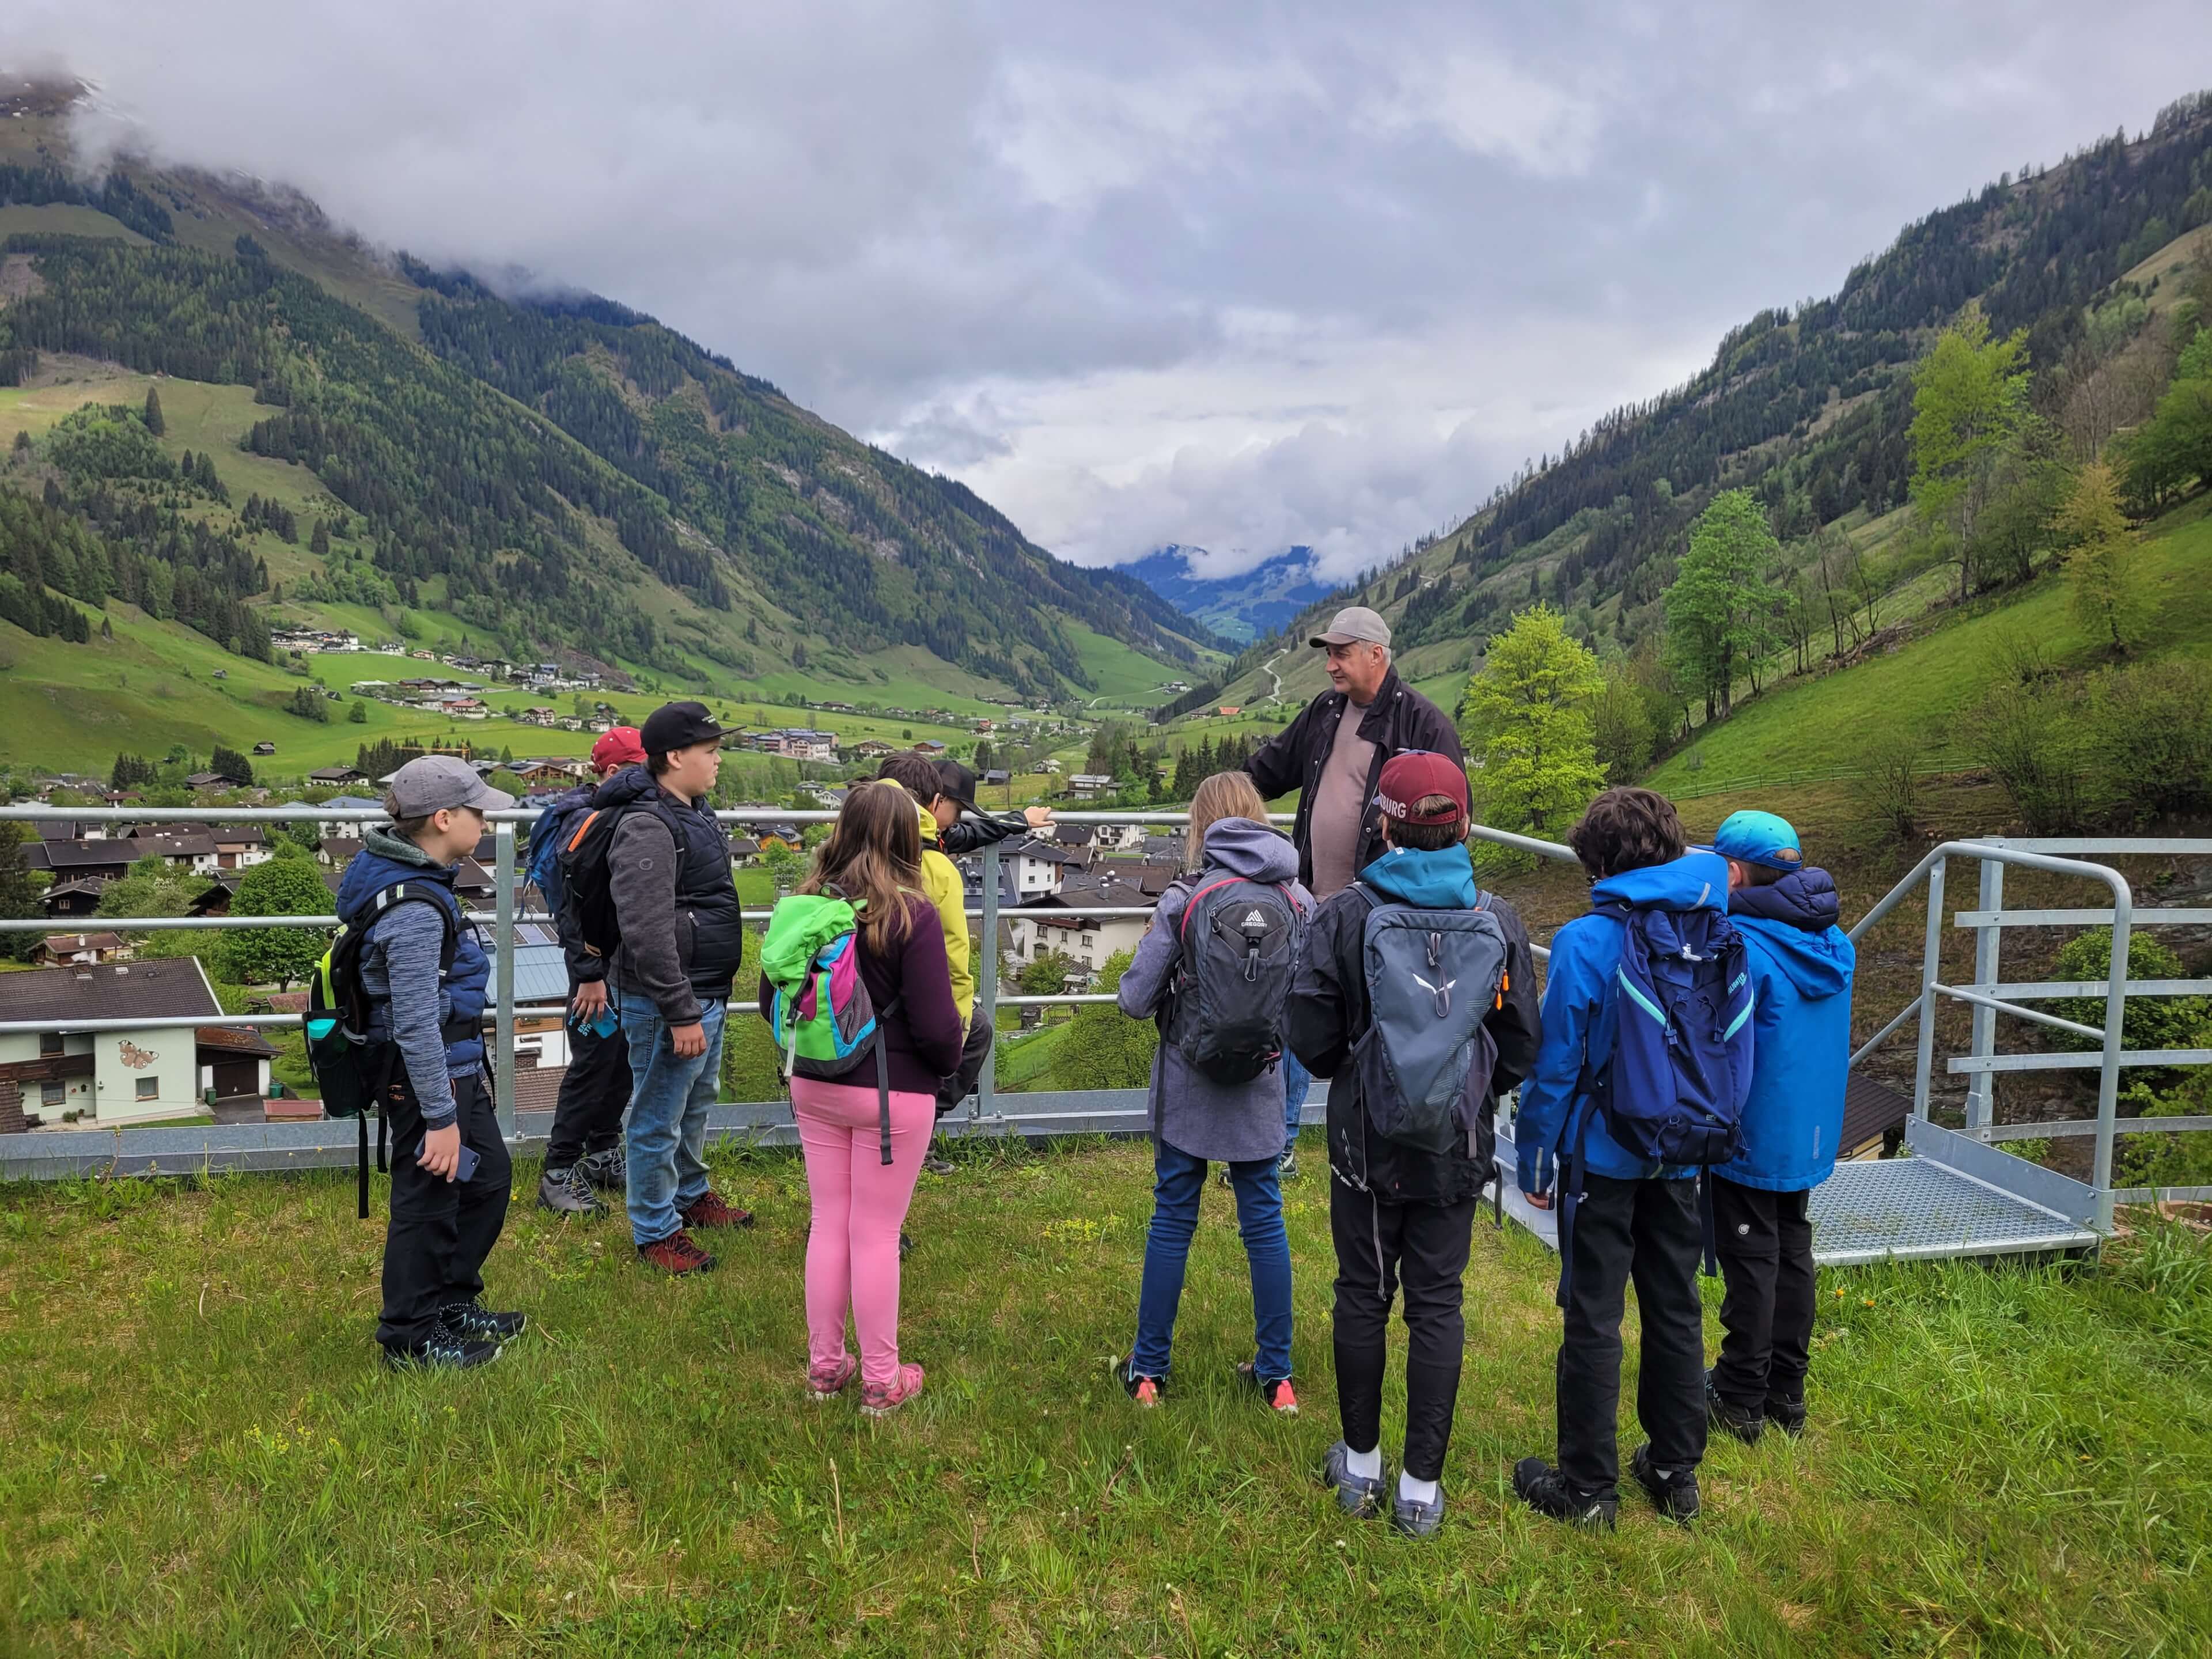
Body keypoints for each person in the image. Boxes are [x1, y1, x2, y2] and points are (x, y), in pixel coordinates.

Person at [1290, 752, 1539, 1536]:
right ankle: (1420, 1490)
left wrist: (1363, 1072)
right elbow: (1522, 1044)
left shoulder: (1345, 913)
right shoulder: (1498, 919)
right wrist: (1467, 1091)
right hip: (1455, 1147)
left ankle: (1361, 1469)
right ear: (1465, 827)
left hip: (1366, 1146)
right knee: (1438, 1303)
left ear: (1384, 826)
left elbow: (1311, 1037)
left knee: (1362, 1293)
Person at [1511, 787, 1734, 1529]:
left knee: (1594, 1317)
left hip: (1602, 1159)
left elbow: (1557, 1065)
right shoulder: (1716, 930)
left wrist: (1534, 1154)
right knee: (1676, 1308)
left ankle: (1587, 1490)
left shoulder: (1586, 940)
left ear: (1600, 863)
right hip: (1683, 1155)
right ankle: (1674, 1473)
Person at [757, 781, 964, 1414]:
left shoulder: (804, 908)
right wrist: (946, 1069)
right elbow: (938, 1029)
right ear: (907, 841)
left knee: (829, 1222)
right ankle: (882, 1380)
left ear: (842, 831)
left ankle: (826, 1369)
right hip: (891, 1095)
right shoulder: (910, 914)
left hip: (814, 1083)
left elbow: (769, 1002)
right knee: (876, 1233)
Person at [1114, 772, 1312, 1414]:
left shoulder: (1186, 898)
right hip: (1262, 1083)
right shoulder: (1298, 900)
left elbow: (1134, 999)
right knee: (1265, 1219)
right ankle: (1277, 1378)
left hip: (1188, 1082)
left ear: (1202, 827)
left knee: (1174, 1216)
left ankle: (1148, 1372)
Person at [1247, 607, 1460, 1182]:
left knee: (1377, 1025)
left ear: (1376, 654)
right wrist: (1223, 800)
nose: (1331, 665)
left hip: (1383, 913)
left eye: (1341, 653)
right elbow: (1267, 771)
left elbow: (1450, 823)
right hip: (1312, 902)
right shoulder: (1325, 712)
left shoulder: (1425, 724)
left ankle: (1387, 1134)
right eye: (1329, 654)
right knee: (1297, 1013)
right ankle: (1281, 1144)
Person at [336, 755, 521, 1370]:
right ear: (443, 819)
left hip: (454, 1065)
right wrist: (440, 1118)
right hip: (425, 1077)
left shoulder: (419, 876)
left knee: (487, 1180)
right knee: (430, 1200)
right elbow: (414, 1022)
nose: (485, 823)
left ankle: (450, 1302)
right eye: (477, 813)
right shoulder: (414, 908)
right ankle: (409, 1337)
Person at [1705, 810, 1855, 1444]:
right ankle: (1787, 1392)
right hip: (1808, 1129)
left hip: (1753, 1130)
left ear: (1735, 873)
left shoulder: (1742, 944)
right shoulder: (1834, 943)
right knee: (1792, 1249)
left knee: (1752, 1259)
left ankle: (1740, 1396)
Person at [600, 701, 753, 1275]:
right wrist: (680, 1010)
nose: (718, 760)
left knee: (694, 1104)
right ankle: (655, 1230)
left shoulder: (692, 811)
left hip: (702, 991)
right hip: (668, 1002)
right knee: (657, 1116)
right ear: (673, 757)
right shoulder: (648, 825)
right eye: (709, 751)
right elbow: (645, 928)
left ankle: (690, 1195)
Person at [533, 726, 647, 1217]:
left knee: (620, 1060)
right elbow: (570, 907)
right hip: (594, 967)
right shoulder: (583, 822)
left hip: (616, 964)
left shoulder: (613, 814)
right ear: (615, 771)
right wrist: (588, 974)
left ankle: (602, 1153)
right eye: (642, 768)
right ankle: (558, 1173)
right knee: (594, 1063)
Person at [876, 753, 980, 1174]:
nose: (956, 822)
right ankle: (918, 1129)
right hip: (905, 1009)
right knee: (975, 1030)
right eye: (957, 810)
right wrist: (958, 1024)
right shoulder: (936, 868)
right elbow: (954, 954)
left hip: (842, 1008)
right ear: (935, 803)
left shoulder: (845, 849)